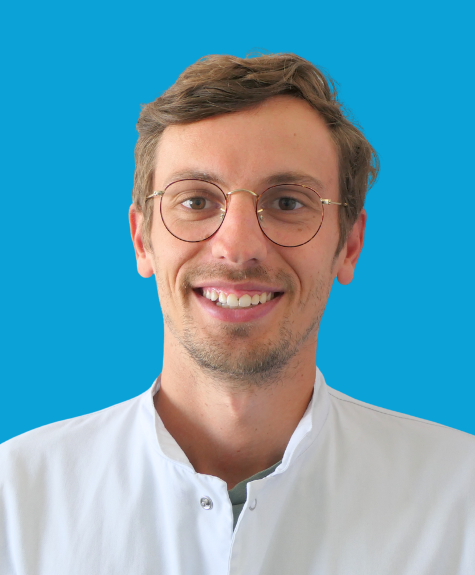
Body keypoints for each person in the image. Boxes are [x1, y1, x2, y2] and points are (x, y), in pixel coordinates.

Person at [1, 53, 474, 575]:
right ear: (141, 239)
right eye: (196, 201)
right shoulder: (15, 500)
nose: (239, 247)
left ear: (350, 245)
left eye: (288, 202)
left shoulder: (461, 498)